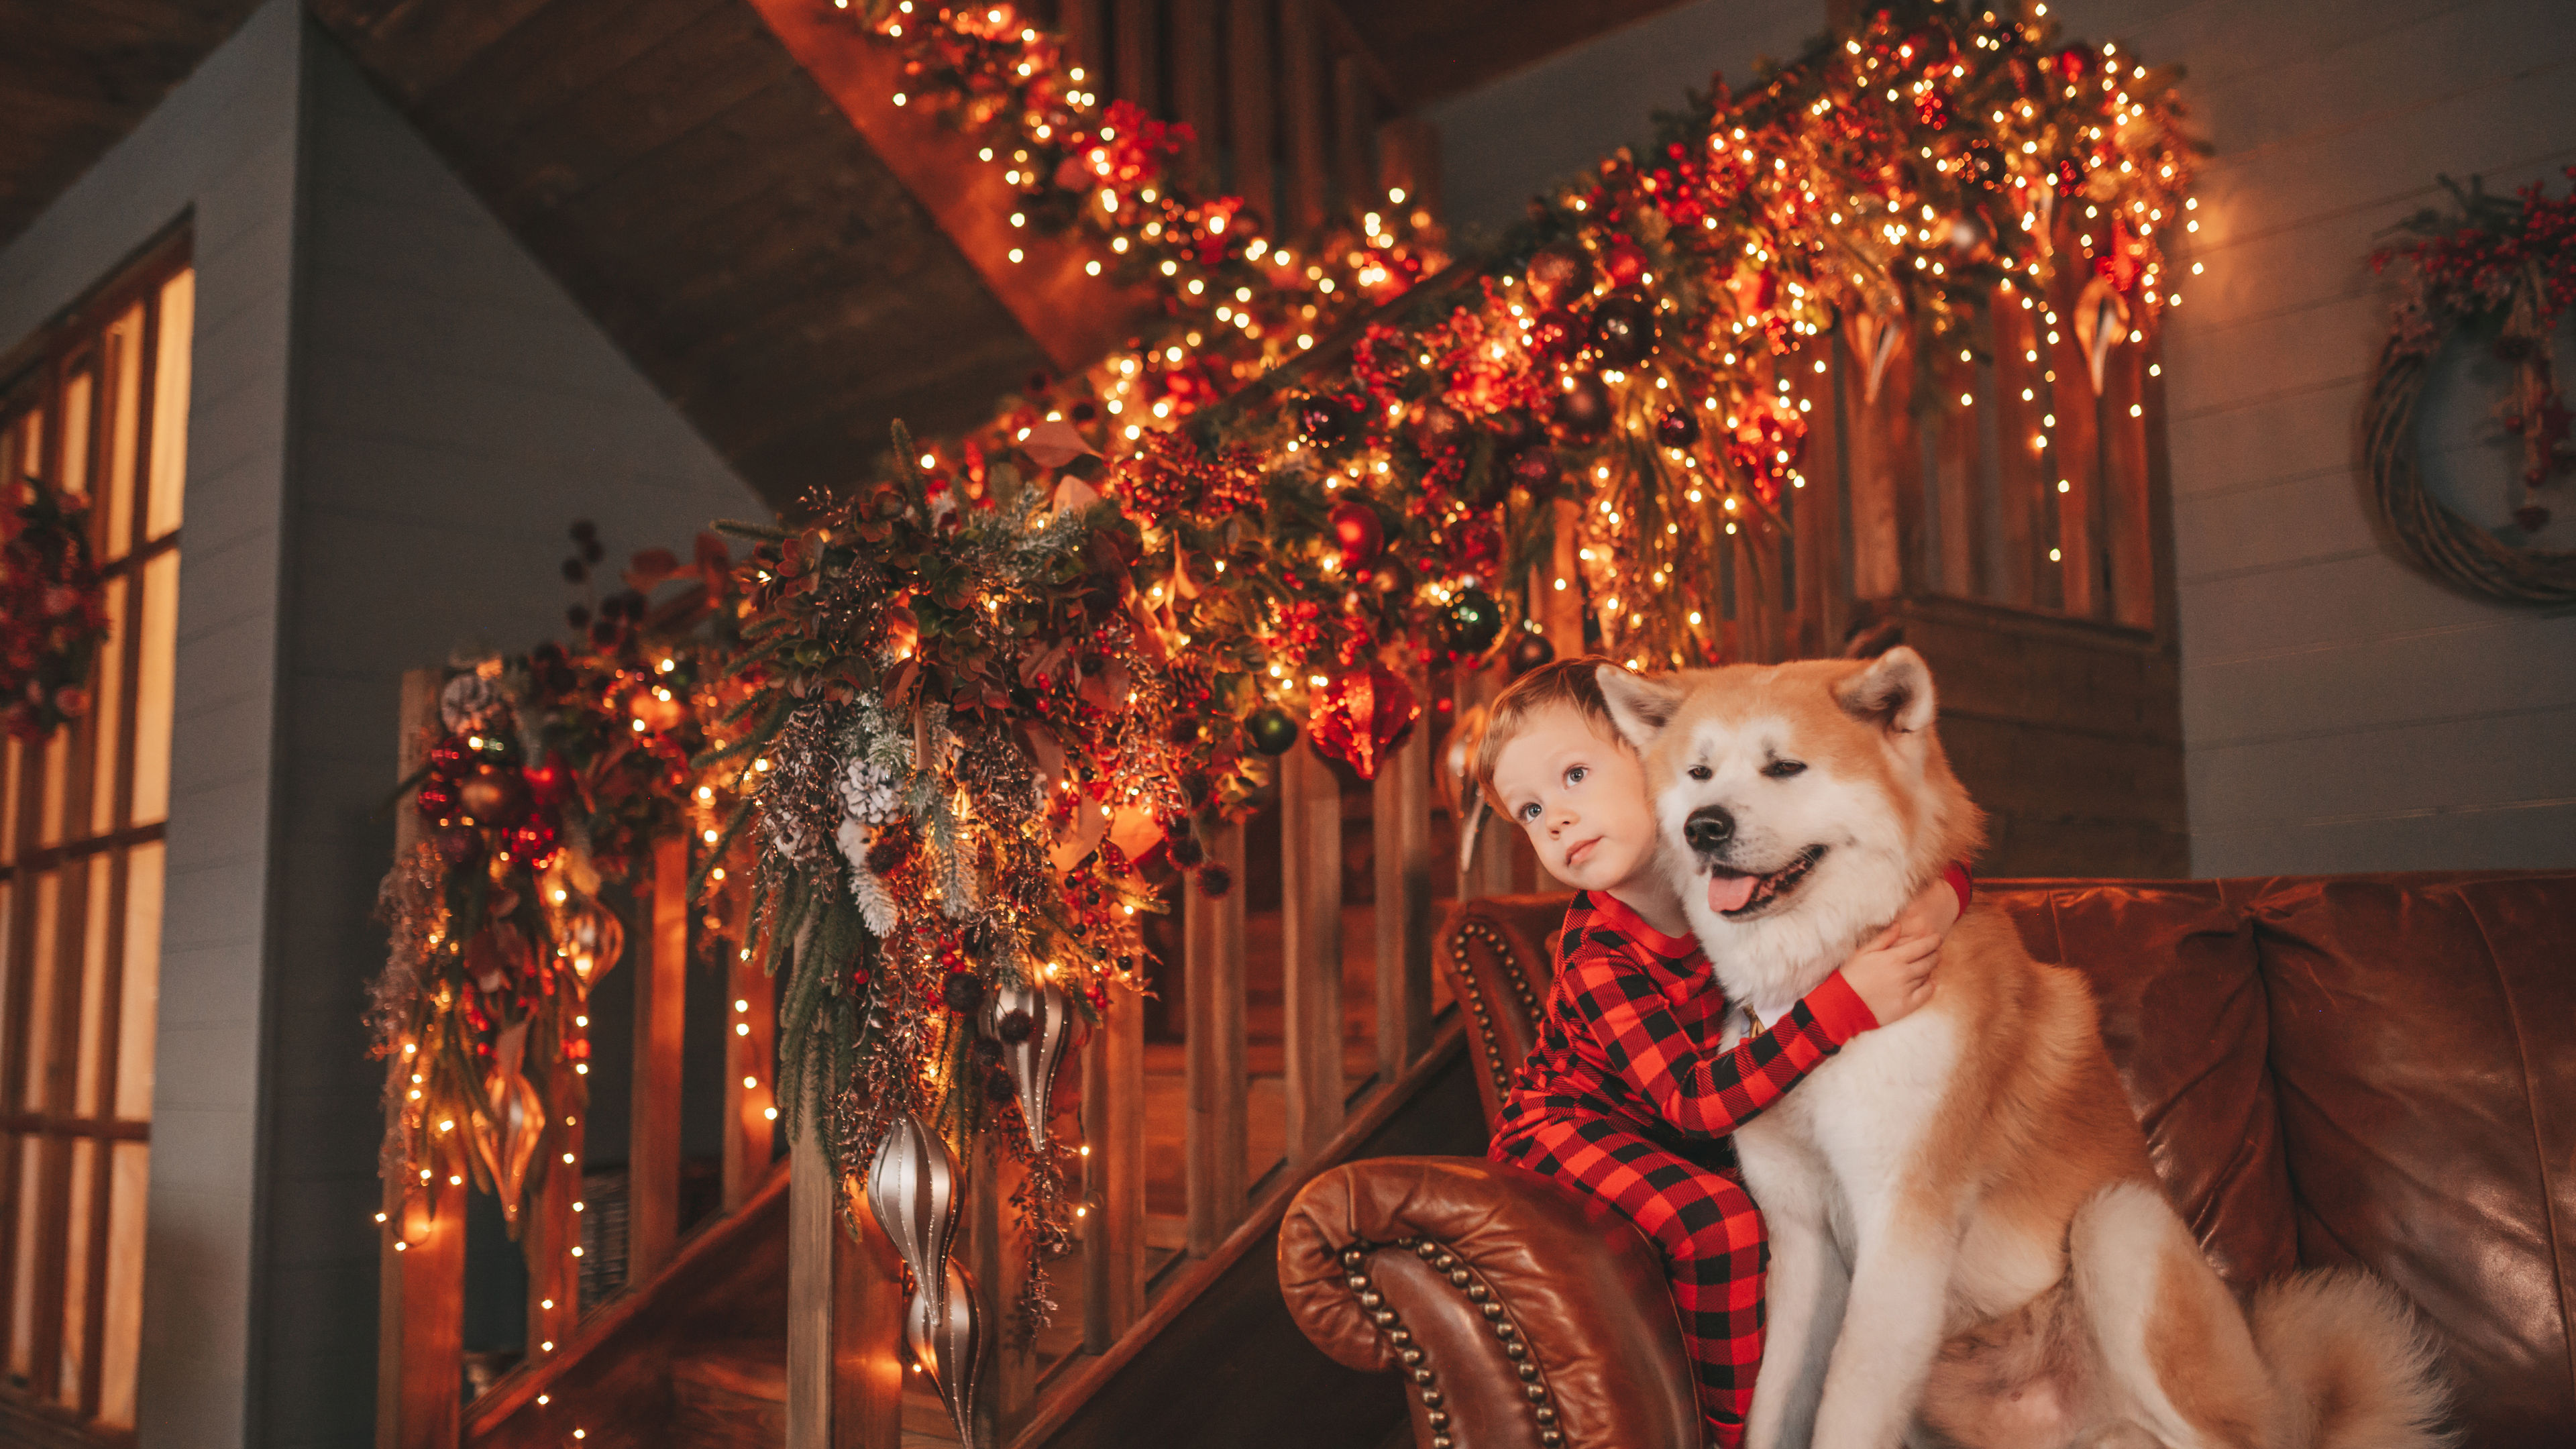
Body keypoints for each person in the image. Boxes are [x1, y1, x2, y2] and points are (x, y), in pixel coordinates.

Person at [1472, 656, 1968, 1449]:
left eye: (1574, 776)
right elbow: (1694, 1102)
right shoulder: (1599, 952)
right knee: (1722, 1222)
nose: (1557, 820)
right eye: (1529, 810)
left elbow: (1928, 856)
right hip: (1570, 1130)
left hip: (1675, 1121)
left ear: (1656, 763)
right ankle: (1724, 1436)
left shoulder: (1729, 877)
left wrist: (1942, 901)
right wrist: (1844, 1007)